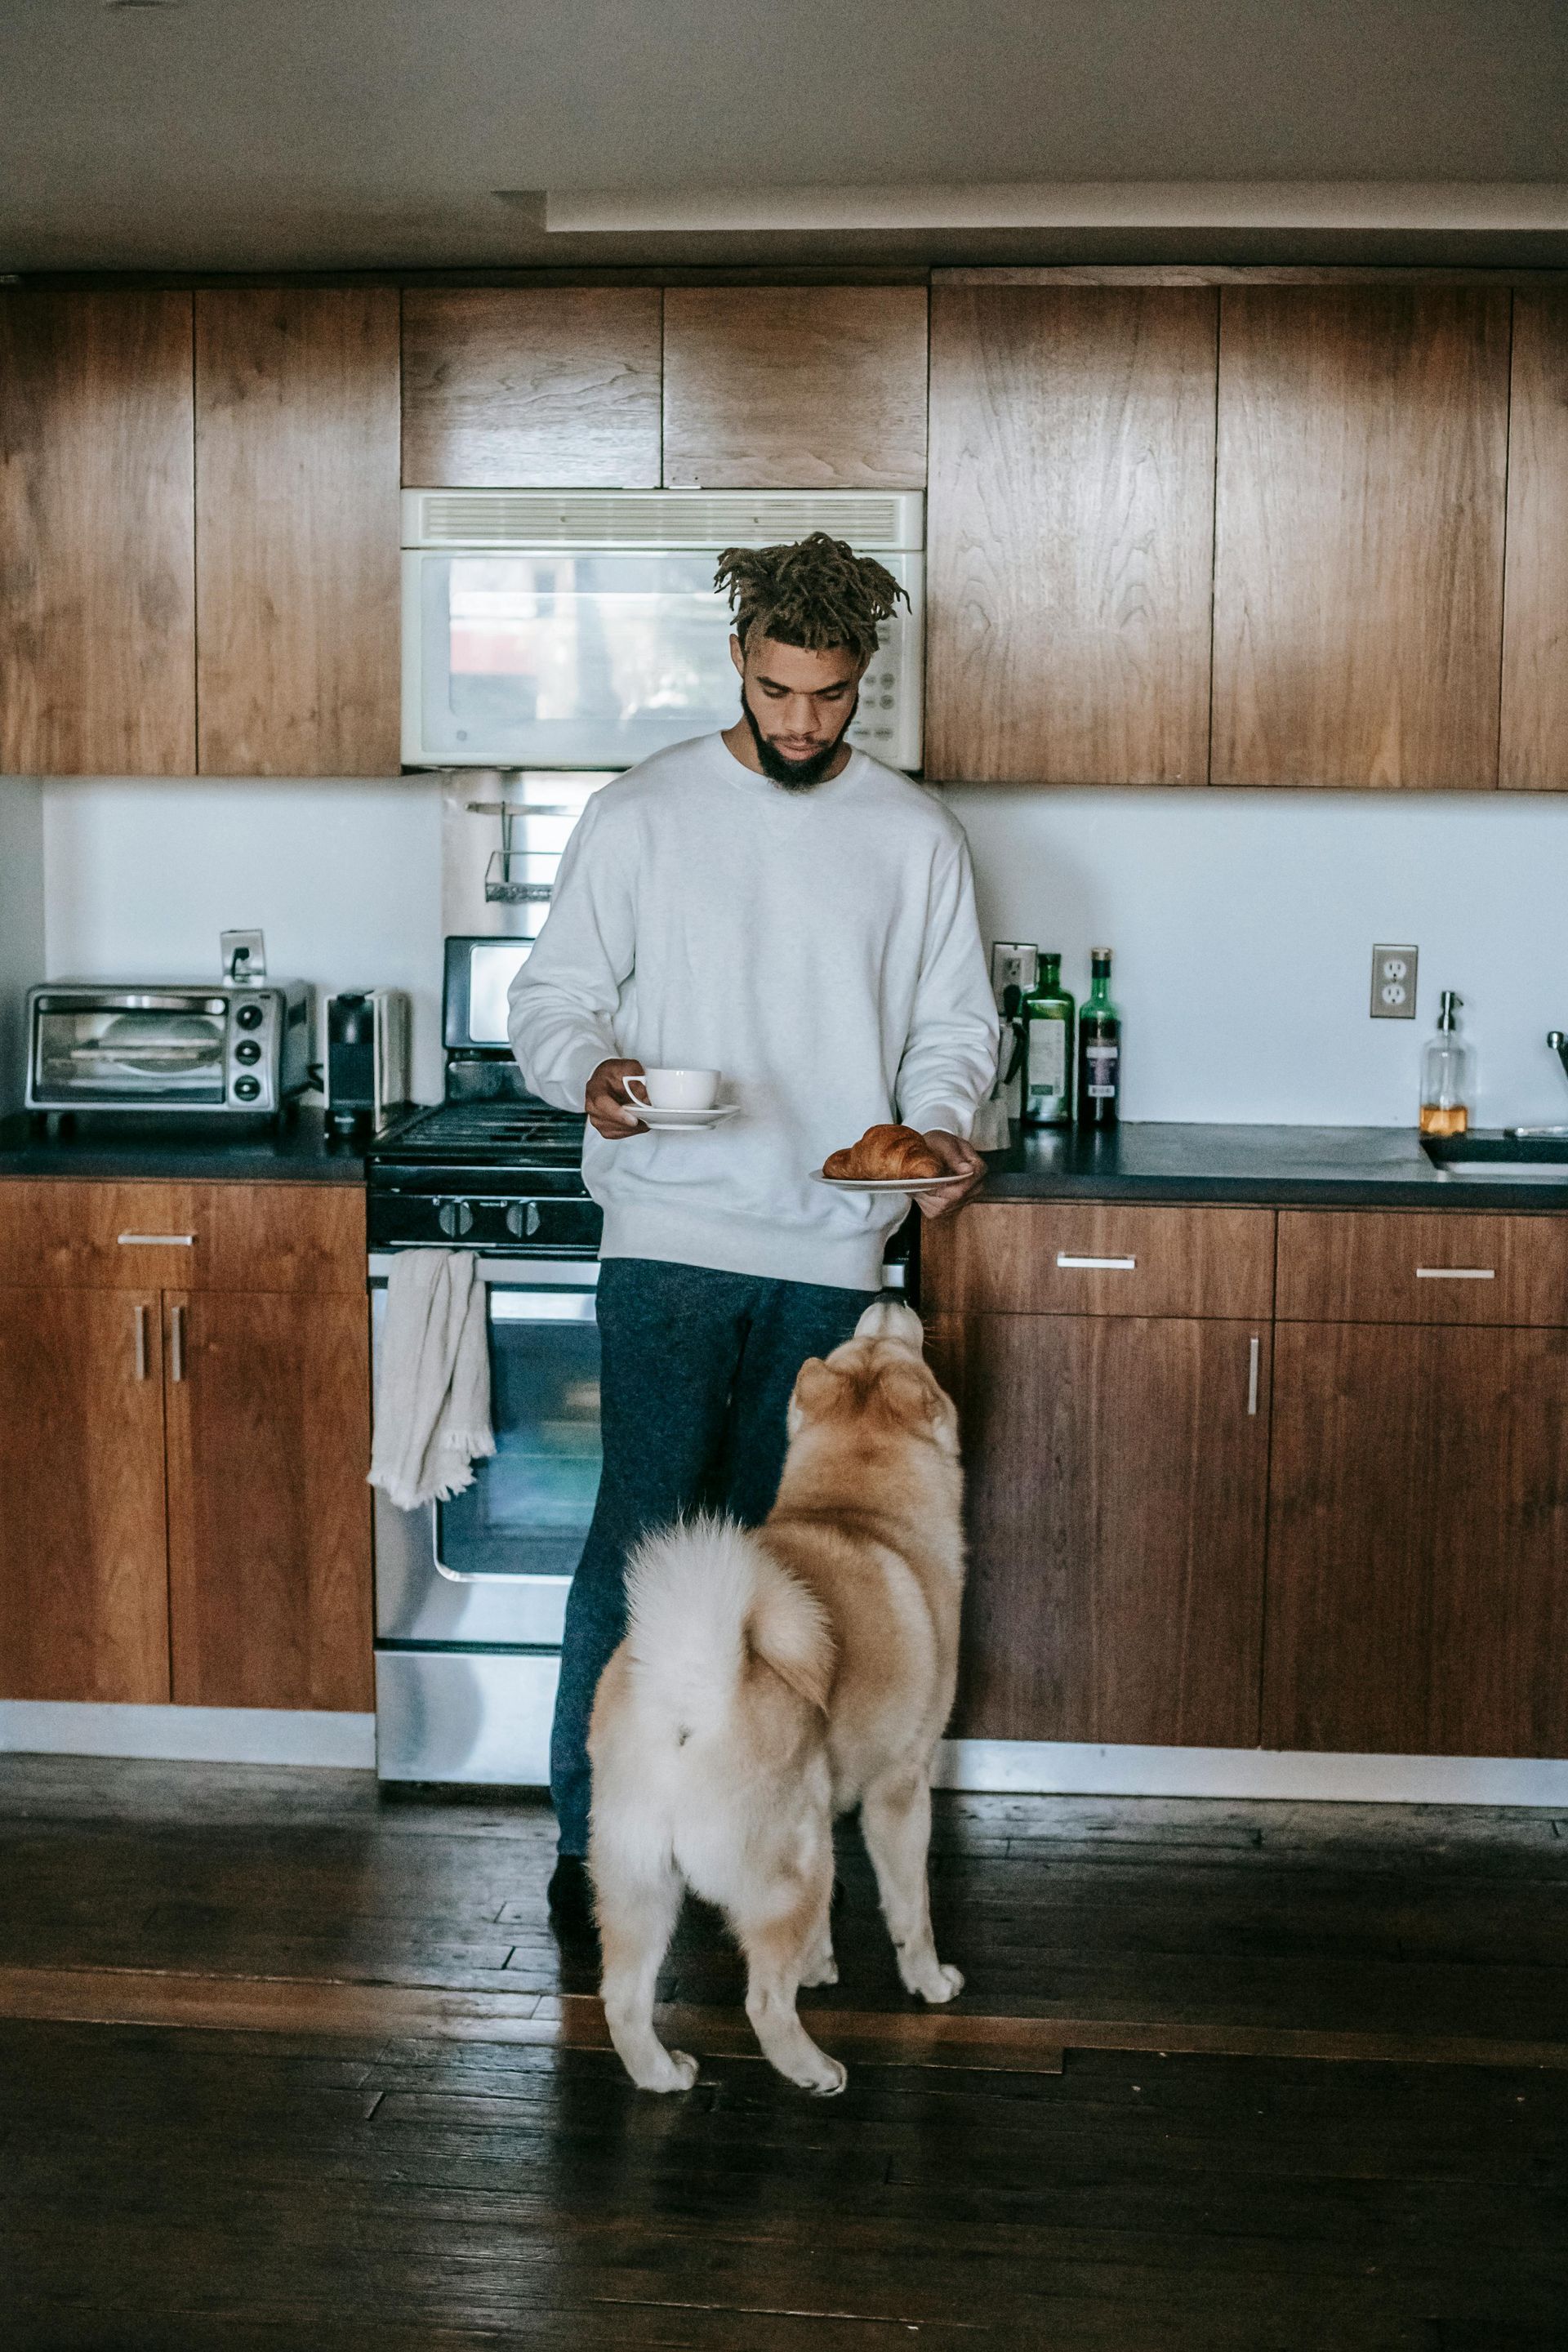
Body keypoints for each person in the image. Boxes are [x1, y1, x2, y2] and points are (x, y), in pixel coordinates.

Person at [508, 532, 1000, 1930]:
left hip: (833, 1246)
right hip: (667, 1237)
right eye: (778, 690)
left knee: (790, 1573)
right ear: (737, 661)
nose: (800, 722)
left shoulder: (912, 835)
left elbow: (956, 1029)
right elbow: (553, 1001)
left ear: (864, 684)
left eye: (830, 696)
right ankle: (595, 1842)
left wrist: (938, 1132)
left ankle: (753, 1836)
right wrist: (589, 1077)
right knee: (647, 1547)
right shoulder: (645, 812)